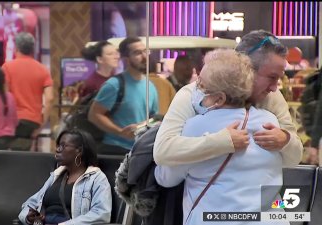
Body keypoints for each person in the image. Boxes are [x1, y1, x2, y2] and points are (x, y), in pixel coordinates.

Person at [155, 49, 288, 225]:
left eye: (201, 85)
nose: (196, 89)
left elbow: (166, 178)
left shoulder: (195, 126)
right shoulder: (270, 121)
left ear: (219, 98)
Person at [153, 30, 303, 168]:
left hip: (261, 195)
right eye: (271, 77)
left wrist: (285, 140)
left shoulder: (271, 97)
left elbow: (295, 158)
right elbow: (162, 152)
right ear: (245, 68)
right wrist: (221, 142)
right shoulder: (193, 95)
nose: (274, 87)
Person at [18, 129, 112, 225]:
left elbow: (101, 214)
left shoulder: (96, 178)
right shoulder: (56, 175)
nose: (57, 149)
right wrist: (28, 217)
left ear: (79, 151)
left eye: (63, 146)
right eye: (58, 145)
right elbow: (30, 204)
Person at [88, 37, 159, 155]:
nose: (144, 57)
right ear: (126, 58)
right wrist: (120, 132)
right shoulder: (114, 84)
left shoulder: (150, 86)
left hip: (140, 150)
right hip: (116, 149)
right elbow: (94, 115)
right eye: (137, 53)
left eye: (145, 51)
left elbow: (154, 117)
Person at [2, 32, 54, 151]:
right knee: (23, 155)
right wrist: (41, 124)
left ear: (16, 47)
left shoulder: (7, 67)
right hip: (32, 120)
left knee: (10, 158)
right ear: (32, 48)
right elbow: (50, 98)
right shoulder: (43, 70)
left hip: (12, 120)